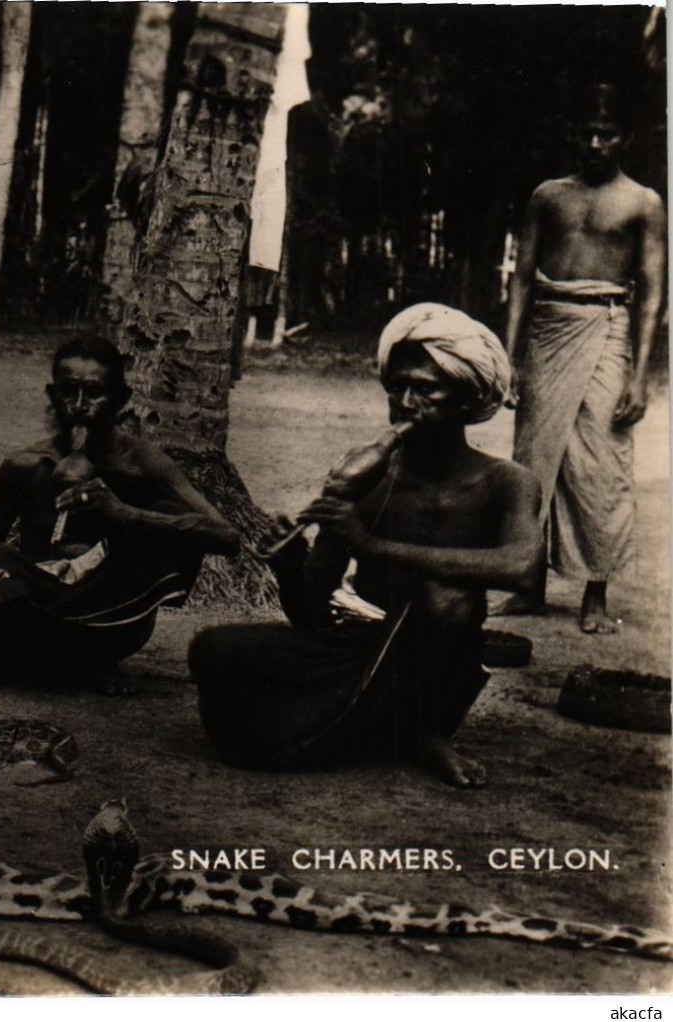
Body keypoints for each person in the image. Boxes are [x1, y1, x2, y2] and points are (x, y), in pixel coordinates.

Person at [190, 304, 542, 788]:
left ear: (466, 398)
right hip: (357, 647)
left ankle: (427, 732)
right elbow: (312, 615)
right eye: (397, 386)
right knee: (211, 650)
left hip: (438, 658)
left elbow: (522, 566)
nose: (405, 400)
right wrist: (291, 566)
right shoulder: (369, 480)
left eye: (426, 388)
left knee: (448, 599)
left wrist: (371, 546)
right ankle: (382, 728)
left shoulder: (507, 481)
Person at [0, 336, 240, 691]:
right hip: (35, 604)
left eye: (93, 393)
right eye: (67, 392)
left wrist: (125, 514)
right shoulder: (24, 466)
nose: (78, 406)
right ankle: (66, 663)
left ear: (121, 399)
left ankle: (77, 659)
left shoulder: (144, 464)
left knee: (170, 518)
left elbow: (227, 536)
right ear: (51, 395)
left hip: (110, 618)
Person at [497, 83, 667, 634]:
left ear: (626, 137)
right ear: (573, 135)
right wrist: (509, 356)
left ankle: (596, 590)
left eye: (607, 133)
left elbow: (654, 293)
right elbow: (522, 278)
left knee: (602, 461)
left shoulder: (643, 202)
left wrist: (641, 376)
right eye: (586, 133)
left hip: (609, 327)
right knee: (534, 457)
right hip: (550, 327)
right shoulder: (548, 195)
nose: (595, 143)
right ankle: (528, 584)